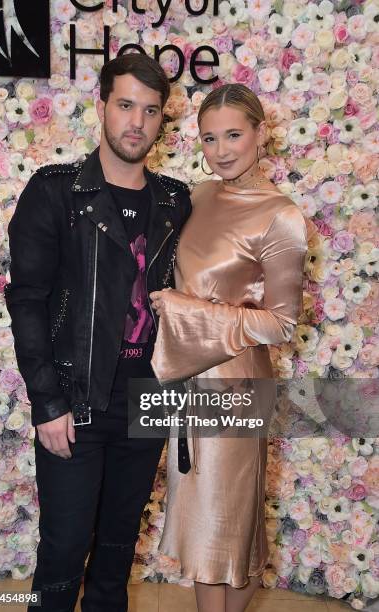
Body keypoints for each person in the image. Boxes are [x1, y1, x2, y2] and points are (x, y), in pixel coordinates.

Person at [5, 54, 191, 612]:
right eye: (125, 105)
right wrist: (46, 401)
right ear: (102, 107)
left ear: (163, 120)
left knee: (115, 555)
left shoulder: (177, 202)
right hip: (76, 404)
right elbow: (28, 300)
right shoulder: (56, 192)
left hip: (147, 404)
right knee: (62, 558)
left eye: (151, 110)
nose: (137, 121)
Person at [149, 84, 308, 612]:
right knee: (203, 522)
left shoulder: (280, 215)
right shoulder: (196, 196)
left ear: (262, 134)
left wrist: (186, 311)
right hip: (186, 378)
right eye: (209, 138)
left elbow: (282, 324)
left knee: (224, 518)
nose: (220, 150)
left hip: (236, 380)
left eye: (234, 135)